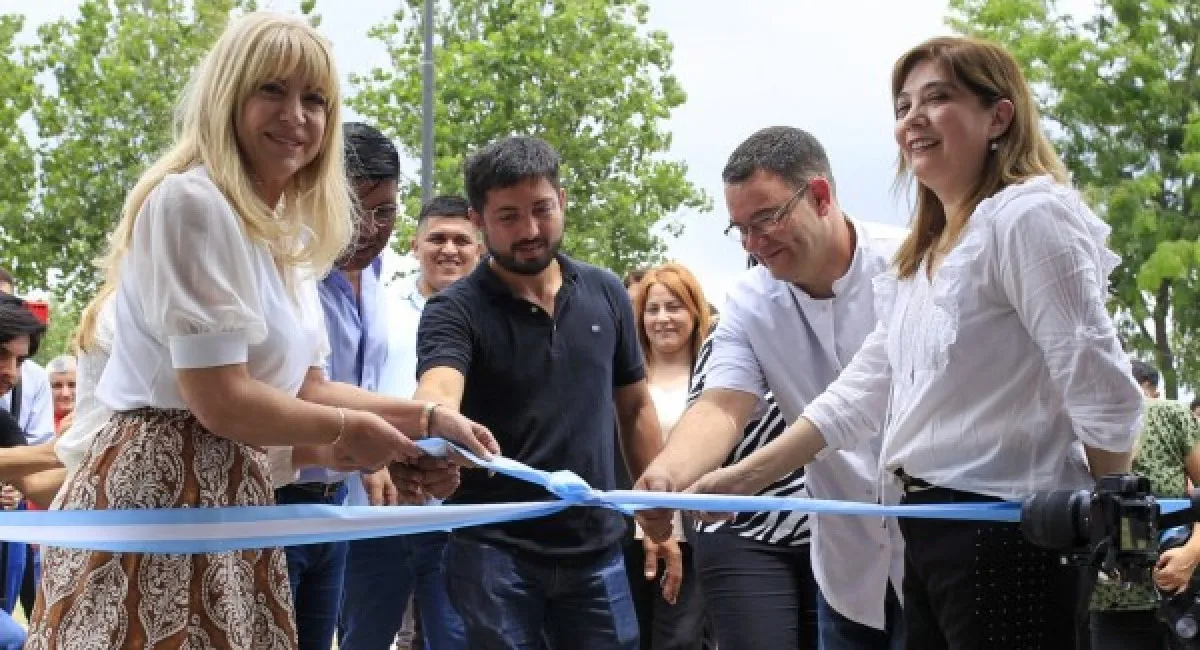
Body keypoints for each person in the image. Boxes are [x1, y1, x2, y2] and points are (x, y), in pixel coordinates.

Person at [650, 36, 1145, 650]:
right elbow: (856, 394)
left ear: (999, 116)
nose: (913, 117)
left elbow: (1097, 380)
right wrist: (738, 478)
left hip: (1006, 533)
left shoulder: (1028, 216)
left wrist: (1112, 517)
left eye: (938, 98)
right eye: (903, 104)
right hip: (930, 537)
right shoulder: (925, 255)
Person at [28, 13, 497, 649]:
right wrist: (348, 436)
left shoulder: (286, 234)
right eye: (272, 90)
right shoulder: (192, 201)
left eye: (315, 100)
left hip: (237, 492)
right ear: (229, 96)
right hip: (164, 493)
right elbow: (219, 398)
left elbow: (307, 387)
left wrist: (425, 423)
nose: (296, 116)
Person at [636, 126, 904, 650]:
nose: (756, 245)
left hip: (934, 554)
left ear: (821, 196)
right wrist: (666, 474)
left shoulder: (910, 266)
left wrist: (743, 477)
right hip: (848, 573)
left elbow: (855, 405)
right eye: (740, 230)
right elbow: (720, 405)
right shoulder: (750, 301)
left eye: (767, 219)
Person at [415, 135, 663, 649]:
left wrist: (660, 509)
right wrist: (437, 419)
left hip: (597, 546)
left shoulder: (606, 292)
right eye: (508, 216)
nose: (529, 230)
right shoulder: (453, 310)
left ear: (563, 201)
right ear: (478, 220)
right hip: (494, 550)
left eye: (541, 209)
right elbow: (438, 388)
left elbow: (635, 405)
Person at [338, 191, 480, 650]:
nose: (450, 250)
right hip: (377, 509)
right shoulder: (379, 308)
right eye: (437, 238)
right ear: (415, 245)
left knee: (456, 639)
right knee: (365, 636)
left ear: (480, 248)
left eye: (462, 240)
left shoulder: (494, 317)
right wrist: (371, 458)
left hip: (462, 514)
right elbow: (354, 388)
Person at [627, 263, 711, 650]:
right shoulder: (626, 384)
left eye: (674, 307)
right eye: (652, 309)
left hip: (698, 538)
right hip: (628, 535)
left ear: (695, 312)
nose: (663, 319)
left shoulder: (718, 381)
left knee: (679, 641)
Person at [1088, 360, 1200, 649]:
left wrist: (1191, 553)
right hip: (1108, 605)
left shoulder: (1169, 416)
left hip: (1184, 595)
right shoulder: (1070, 424)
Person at [45, 356, 76, 435]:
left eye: (72, 385)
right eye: (57, 386)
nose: (65, 394)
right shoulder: (36, 423)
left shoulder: (94, 420)